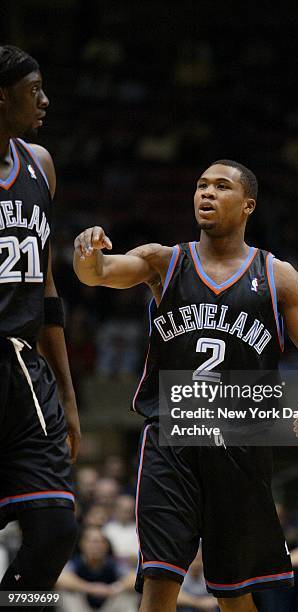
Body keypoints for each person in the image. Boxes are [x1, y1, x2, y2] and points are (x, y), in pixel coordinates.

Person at [73, 159, 298, 612]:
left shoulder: (277, 276)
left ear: (247, 205)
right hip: (171, 440)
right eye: (201, 185)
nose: (207, 193)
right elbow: (98, 274)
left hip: (240, 444)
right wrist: (87, 254)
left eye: (221, 186)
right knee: (159, 579)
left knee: (233, 594)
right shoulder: (164, 260)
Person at [0, 45, 80, 593]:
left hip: (26, 370)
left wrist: (70, 398)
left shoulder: (40, 164)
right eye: (35, 91)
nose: (45, 100)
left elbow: (47, 288)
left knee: (54, 530)